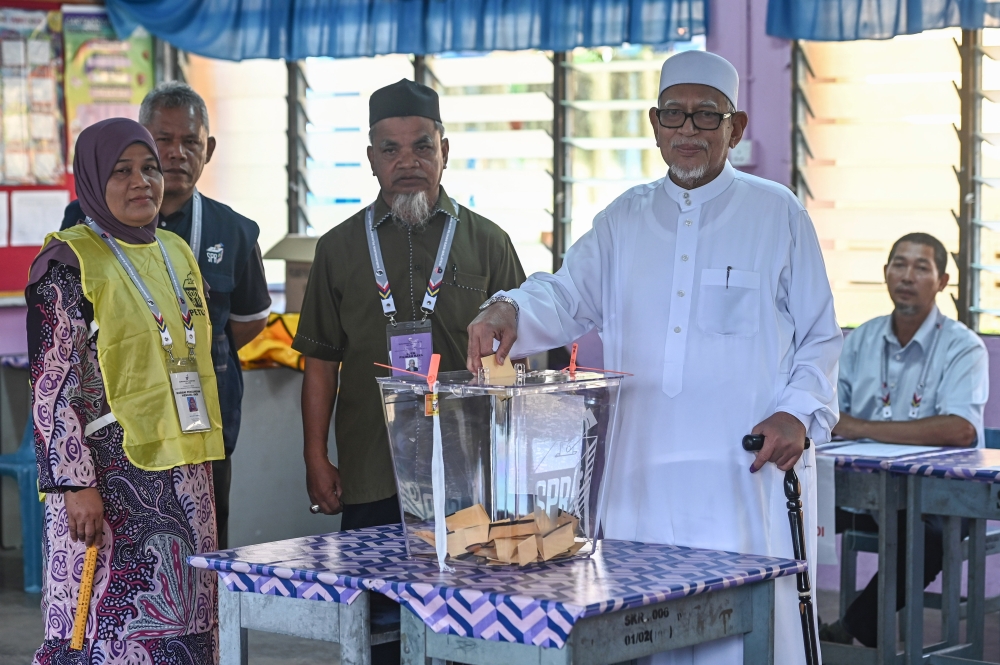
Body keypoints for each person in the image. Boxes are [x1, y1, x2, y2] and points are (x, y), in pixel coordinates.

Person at [466, 50, 842, 665]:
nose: (687, 132)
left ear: (736, 127)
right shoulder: (623, 218)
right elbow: (565, 296)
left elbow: (821, 336)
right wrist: (510, 308)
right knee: (641, 633)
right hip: (642, 477)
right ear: (653, 123)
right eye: (674, 116)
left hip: (743, 474)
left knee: (743, 635)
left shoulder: (777, 214)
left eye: (706, 118)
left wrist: (796, 415)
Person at [28, 118, 223, 664]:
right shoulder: (68, 265)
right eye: (121, 171)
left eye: (150, 169)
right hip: (107, 485)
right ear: (92, 178)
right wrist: (74, 484)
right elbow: (52, 387)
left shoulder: (175, 252)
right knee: (106, 628)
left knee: (189, 620)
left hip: (184, 475)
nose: (142, 182)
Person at [294, 79, 526, 526]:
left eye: (422, 148)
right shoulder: (338, 247)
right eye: (390, 150)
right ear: (371, 159)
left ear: (444, 151)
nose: (407, 163)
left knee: (468, 592)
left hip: (471, 467)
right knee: (376, 595)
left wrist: (515, 456)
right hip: (371, 467)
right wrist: (315, 457)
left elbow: (520, 356)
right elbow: (320, 363)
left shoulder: (490, 243)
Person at [60, 82, 271, 549]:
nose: (175, 154)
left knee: (206, 554)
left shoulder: (234, 230)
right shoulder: (84, 220)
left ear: (208, 149)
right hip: (120, 434)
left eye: (190, 142)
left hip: (202, 424)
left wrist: (182, 349)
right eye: (162, 140)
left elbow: (249, 321)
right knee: (128, 558)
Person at [820, 232, 988, 647]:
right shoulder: (860, 339)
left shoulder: (962, 346)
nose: (907, 276)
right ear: (885, 273)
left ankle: (854, 626)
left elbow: (959, 429)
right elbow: (828, 414)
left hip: (939, 496)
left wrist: (859, 426)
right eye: (899, 264)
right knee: (790, 516)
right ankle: (786, 626)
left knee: (923, 538)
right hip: (865, 491)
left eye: (921, 267)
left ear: (943, 280)